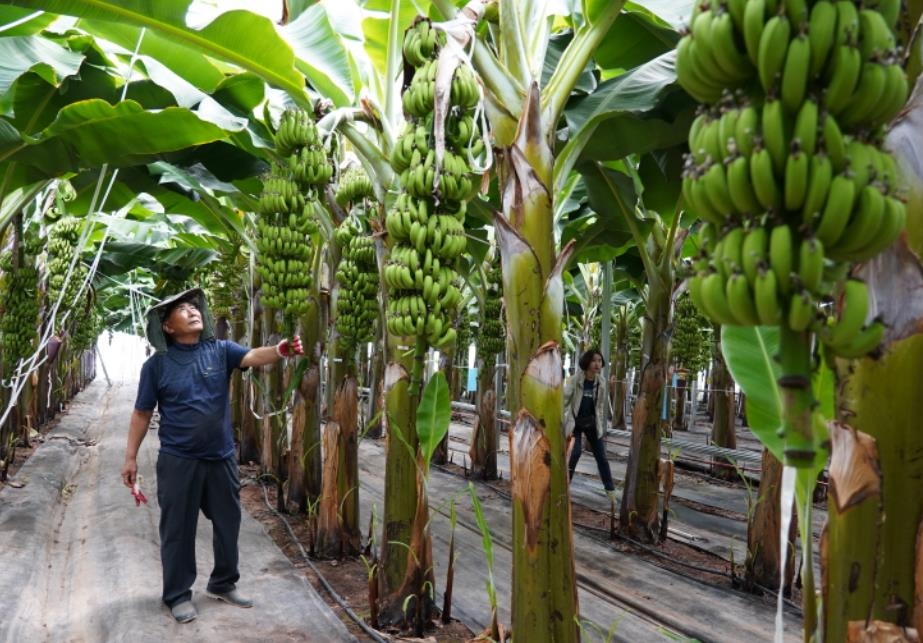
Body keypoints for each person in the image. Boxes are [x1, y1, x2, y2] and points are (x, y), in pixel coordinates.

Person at [120, 288, 304, 624]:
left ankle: (223, 582)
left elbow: (251, 356)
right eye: (181, 309)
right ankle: (177, 594)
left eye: (194, 306)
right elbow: (142, 413)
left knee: (228, 521)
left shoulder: (220, 351)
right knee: (177, 528)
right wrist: (130, 457)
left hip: (220, 457)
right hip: (179, 460)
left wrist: (280, 350)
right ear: (168, 327)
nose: (191, 311)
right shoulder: (157, 366)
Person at [563, 348, 617, 504]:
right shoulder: (575, 380)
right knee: (575, 453)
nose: (597, 364)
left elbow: (600, 406)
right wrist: (560, 421)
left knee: (602, 457)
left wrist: (601, 425)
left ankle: (610, 490)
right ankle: (565, 488)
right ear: (587, 362)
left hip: (592, 423)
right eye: (594, 360)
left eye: (599, 361)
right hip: (576, 423)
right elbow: (564, 401)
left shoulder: (602, 382)